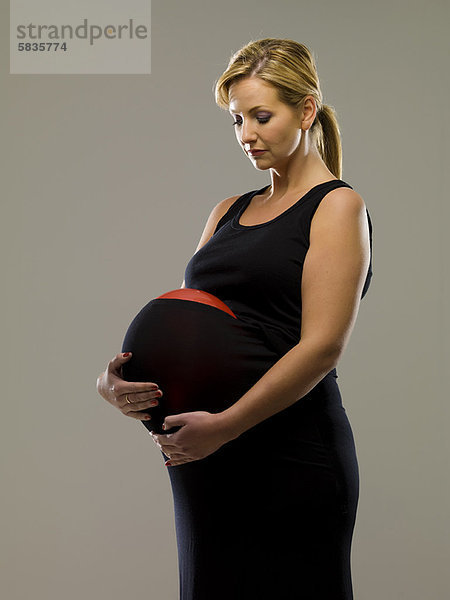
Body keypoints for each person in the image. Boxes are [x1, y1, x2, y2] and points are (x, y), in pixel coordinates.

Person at [96, 37, 373, 600]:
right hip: (204, 455)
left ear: (307, 109)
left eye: (262, 116)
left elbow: (321, 347)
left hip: (289, 453)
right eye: (237, 120)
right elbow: (190, 320)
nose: (246, 135)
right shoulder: (227, 212)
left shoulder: (337, 207)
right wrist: (114, 383)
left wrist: (227, 425)